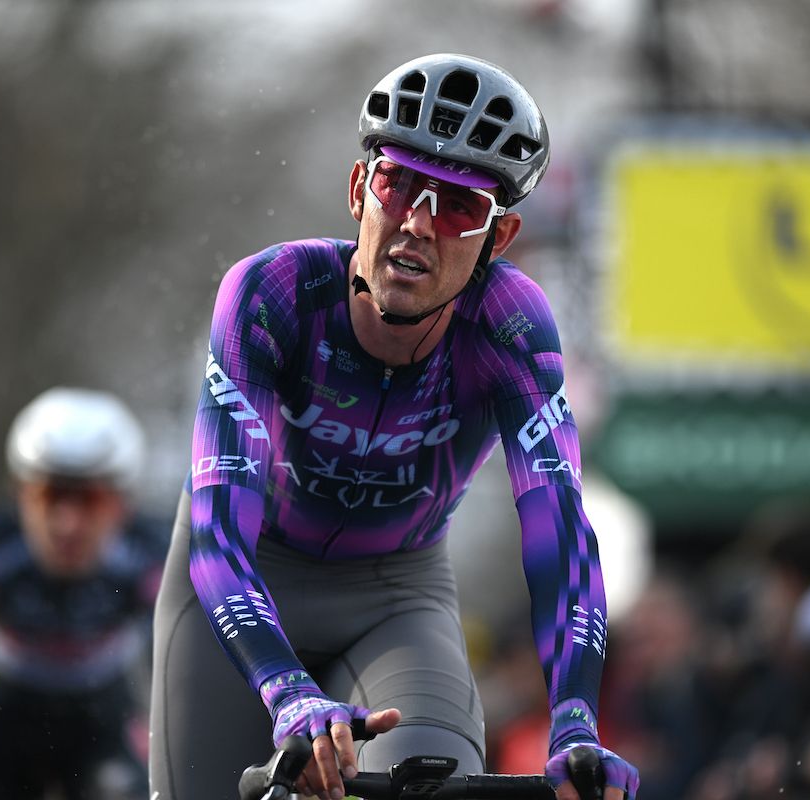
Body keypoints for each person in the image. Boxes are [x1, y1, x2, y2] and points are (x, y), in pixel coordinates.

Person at [149, 53, 639, 800]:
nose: (416, 224)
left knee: (429, 787)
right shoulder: (272, 294)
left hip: (395, 595)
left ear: (497, 238)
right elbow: (219, 533)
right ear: (358, 190)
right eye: (397, 184)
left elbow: (562, 533)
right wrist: (288, 693)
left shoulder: (510, 328)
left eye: (457, 207)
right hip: (248, 575)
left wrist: (574, 721)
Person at [0, 387, 170, 800]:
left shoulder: (151, 549)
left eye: (90, 500)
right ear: (19, 493)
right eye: (49, 495)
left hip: (102, 717)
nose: (67, 523)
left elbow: (168, 680)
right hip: (5, 716)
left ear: (123, 505)